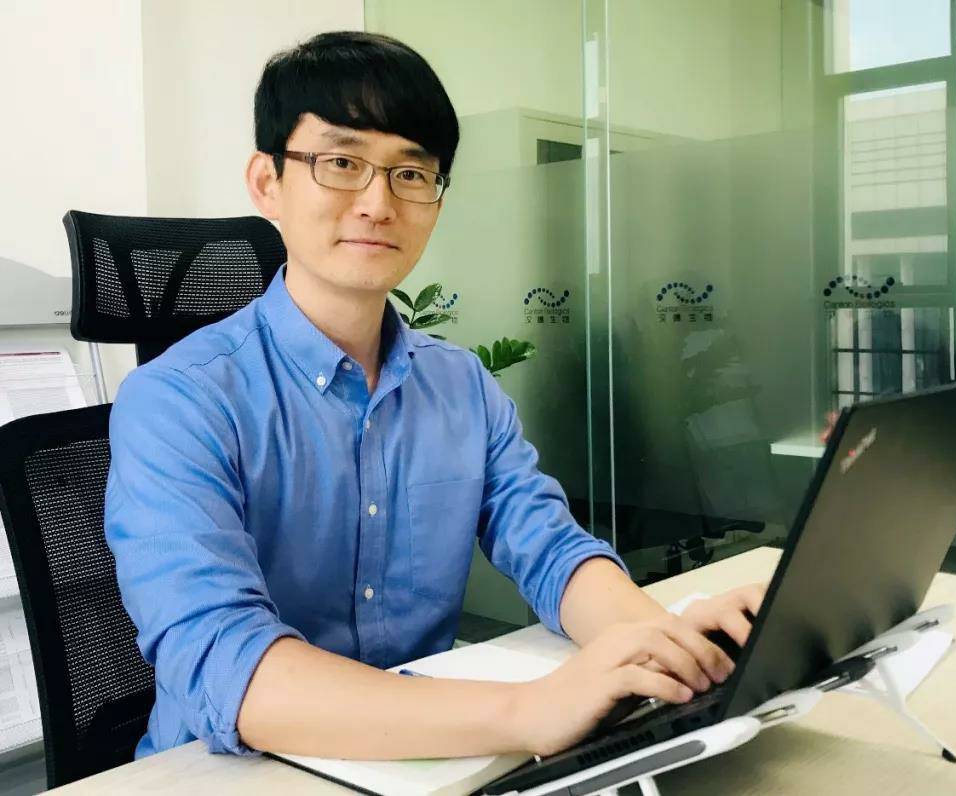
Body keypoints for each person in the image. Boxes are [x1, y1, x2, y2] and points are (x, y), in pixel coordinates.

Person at [105, 30, 763, 762]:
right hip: (233, 773)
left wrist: (659, 640)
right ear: (267, 182)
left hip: (428, 756)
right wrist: (530, 712)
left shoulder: (461, 385)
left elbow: (548, 547)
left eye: (411, 173)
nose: (378, 203)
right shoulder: (177, 402)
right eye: (342, 162)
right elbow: (225, 666)